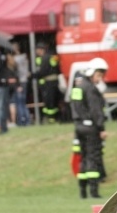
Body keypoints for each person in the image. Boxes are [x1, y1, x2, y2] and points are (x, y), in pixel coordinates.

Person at [70, 57, 108, 199]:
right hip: (91, 128)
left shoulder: (78, 87)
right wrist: (101, 128)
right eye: (99, 75)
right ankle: (94, 192)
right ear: (92, 73)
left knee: (84, 158)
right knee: (93, 157)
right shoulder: (91, 89)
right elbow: (96, 110)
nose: (100, 78)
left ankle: (82, 192)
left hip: (79, 126)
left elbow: (75, 107)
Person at [32, 42, 62, 123]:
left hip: (49, 83)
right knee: (53, 101)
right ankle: (54, 118)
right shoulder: (51, 57)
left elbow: (43, 72)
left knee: (49, 101)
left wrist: (33, 75)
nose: (36, 51)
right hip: (53, 82)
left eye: (37, 50)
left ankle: (51, 118)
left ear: (41, 50)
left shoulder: (45, 58)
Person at [12, 42, 30, 126]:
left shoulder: (16, 59)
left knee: (19, 102)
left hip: (19, 82)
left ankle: (23, 120)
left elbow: (16, 72)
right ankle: (27, 120)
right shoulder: (25, 57)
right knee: (23, 102)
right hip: (25, 80)